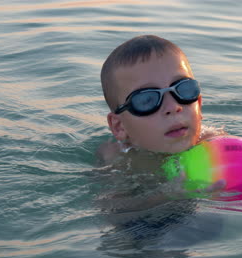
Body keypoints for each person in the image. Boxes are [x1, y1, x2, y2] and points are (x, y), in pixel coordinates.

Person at [95, 35, 224, 215]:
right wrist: (166, 196)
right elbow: (112, 211)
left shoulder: (212, 141)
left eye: (183, 89)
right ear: (119, 127)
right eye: (147, 99)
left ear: (199, 105)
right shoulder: (120, 160)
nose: (173, 107)